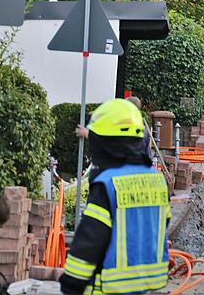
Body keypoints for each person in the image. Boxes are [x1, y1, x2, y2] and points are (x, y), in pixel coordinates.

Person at [60, 99, 170, 295]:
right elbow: (162, 222)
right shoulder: (157, 180)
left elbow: (91, 240)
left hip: (109, 288)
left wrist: (71, 282)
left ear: (105, 143)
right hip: (145, 285)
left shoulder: (107, 184)